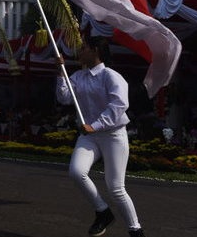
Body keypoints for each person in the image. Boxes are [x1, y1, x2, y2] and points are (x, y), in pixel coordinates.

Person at [57, 37, 146, 237]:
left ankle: (135, 230)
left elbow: (119, 105)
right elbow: (63, 97)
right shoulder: (78, 76)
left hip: (112, 135)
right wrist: (60, 73)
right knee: (76, 171)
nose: (80, 51)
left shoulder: (111, 76)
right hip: (89, 136)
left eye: (84, 48)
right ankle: (103, 212)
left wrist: (95, 125)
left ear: (95, 51)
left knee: (115, 188)